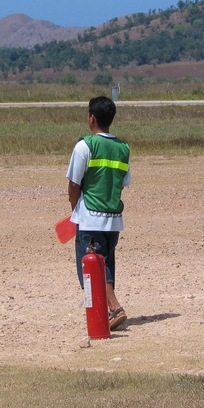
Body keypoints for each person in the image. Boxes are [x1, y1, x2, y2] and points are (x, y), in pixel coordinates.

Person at [66, 96, 131, 330]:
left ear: (91, 118)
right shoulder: (123, 148)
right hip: (113, 221)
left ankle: (115, 308)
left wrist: (75, 210)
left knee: (93, 267)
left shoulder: (85, 145)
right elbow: (122, 182)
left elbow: (74, 184)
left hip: (90, 218)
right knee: (105, 267)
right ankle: (105, 316)